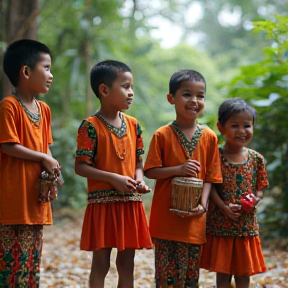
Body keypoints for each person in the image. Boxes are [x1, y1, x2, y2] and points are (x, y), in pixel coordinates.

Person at [74, 60, 152, 288]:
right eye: (126, 86)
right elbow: (80, 166)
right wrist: (113, 178)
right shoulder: (90, 126)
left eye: (132, 87)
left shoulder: (134, 125)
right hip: (103, 205)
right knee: (101, 263)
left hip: (130, 204)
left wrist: (139, 180)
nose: (131, 93)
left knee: (127, 263)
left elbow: (139, 163)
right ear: (104, 90)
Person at [144, 69, 223, 288]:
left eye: (200, 95)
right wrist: (178, 169)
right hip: (165, 219)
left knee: (191, 277)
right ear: (171, 98)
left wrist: (203, 204)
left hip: (194, 220)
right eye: (187, 94)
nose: (194, 101)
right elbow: (150, 171)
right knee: (165, 276)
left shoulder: (209, 137)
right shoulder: (162, 134)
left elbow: (210, 176)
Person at [0, 39, 59, 287]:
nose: (50, 75)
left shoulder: (44, 110)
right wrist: (44, 157)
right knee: (10, 264)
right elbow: (8, 145)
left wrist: (52, 175)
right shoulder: (8, 106)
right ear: (26, 72)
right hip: (13, 199)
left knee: (32, 261)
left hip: (35, 197)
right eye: (46, 68)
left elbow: (45, 147)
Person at [200, 97, 269, 288]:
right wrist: (223, 207)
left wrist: (255, 199)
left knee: (243, 272)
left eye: (247, 125)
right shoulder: (215, 156)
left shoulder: (256, 159)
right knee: (223, 272)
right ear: (221, 128)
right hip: (221, 224)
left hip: (245, 226)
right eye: (234, 125)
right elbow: (210, 185)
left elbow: (260, 188)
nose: (241, 131)